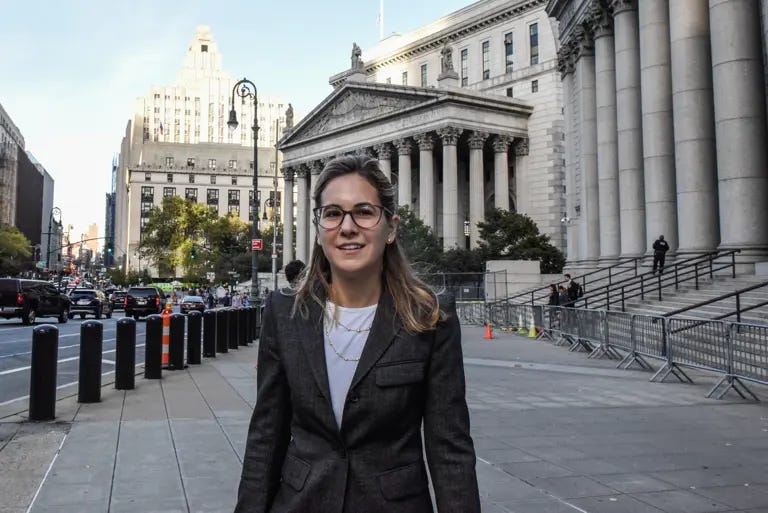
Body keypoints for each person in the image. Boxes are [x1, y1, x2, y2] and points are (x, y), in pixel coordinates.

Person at [235, 155, 480, 513]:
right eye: (333, 214)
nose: (347, 227)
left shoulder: (430, 317)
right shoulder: (284, 312)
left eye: (364, 212)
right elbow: (265, 436)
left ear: (391, 227)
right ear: (319, 229)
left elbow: (450, 449)